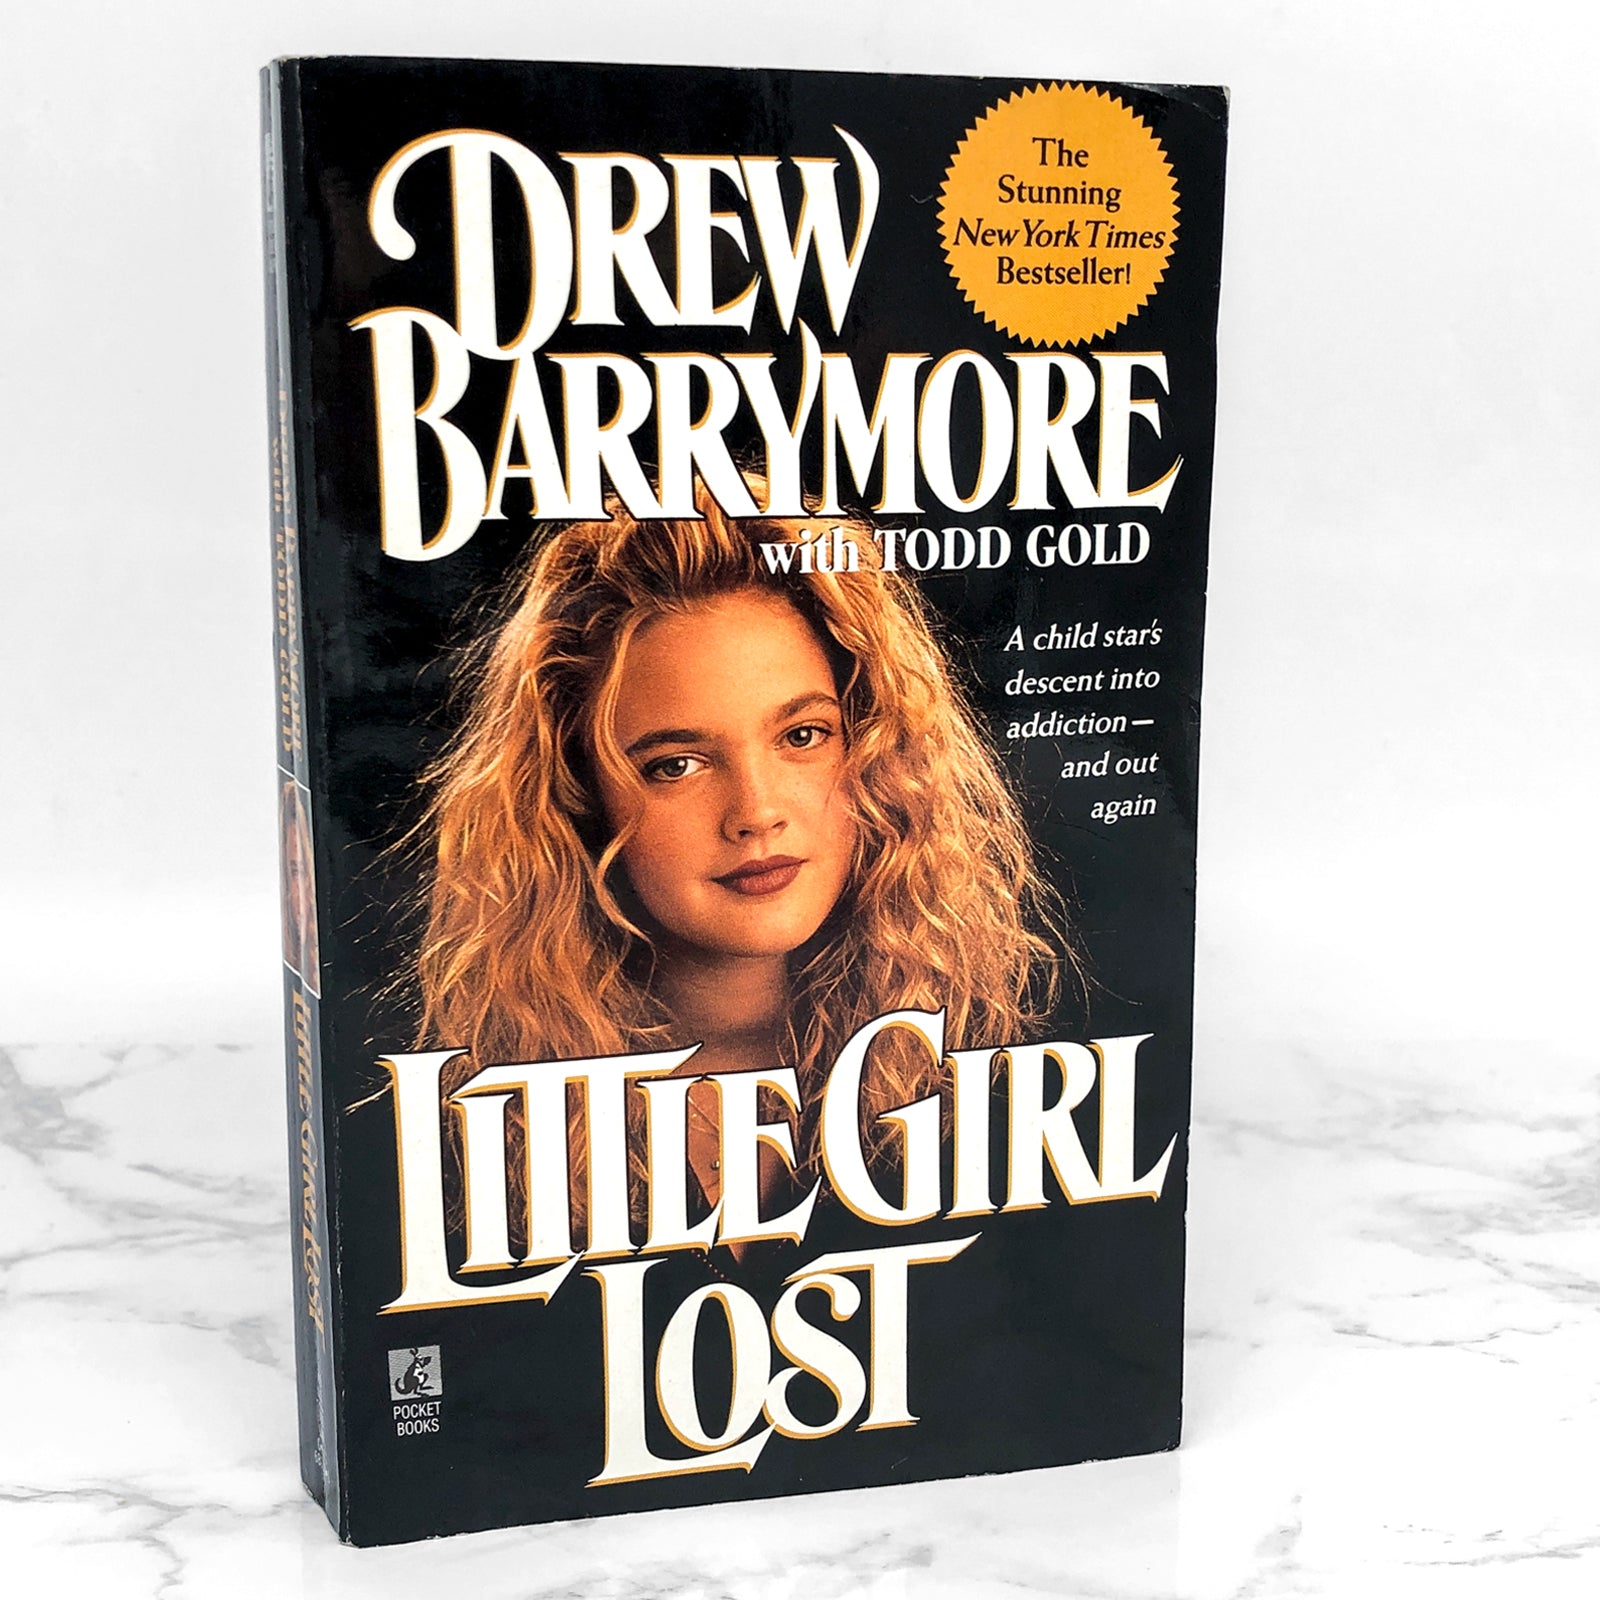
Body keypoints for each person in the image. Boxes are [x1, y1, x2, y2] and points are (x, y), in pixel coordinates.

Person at [413, 480, 1063, 1240]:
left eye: (802, 736)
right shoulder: (463, 1126)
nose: (756, 811)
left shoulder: (995, 1074)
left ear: (873, 749)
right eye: (676, 765)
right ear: (578, 795)